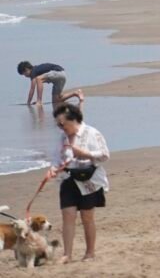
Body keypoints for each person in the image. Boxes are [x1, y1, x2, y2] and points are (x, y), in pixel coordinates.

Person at [49, 103, 109, 264]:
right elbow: (56, 157)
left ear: (73, 120)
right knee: (67, 215)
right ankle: (67, 254)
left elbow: (104, 155)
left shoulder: (92, 133)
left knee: (87, 217)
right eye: (58, 124)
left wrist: (85, 154)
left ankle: (90, 252)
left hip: (89, 179)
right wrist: (52, 169)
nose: (61, 127)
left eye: (62, 123)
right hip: (68, 179)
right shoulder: (63, 137)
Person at [17, 61, 84, 105]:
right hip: (62, 75)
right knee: (56, 101)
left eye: (24, 74)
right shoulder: (35, 71)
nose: (25, 76)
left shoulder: (33, 71)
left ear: (27, 69)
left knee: (39, 79)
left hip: (58, 72)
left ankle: (39, 101)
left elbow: (32, 89)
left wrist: (28, 103)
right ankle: (76, 93)